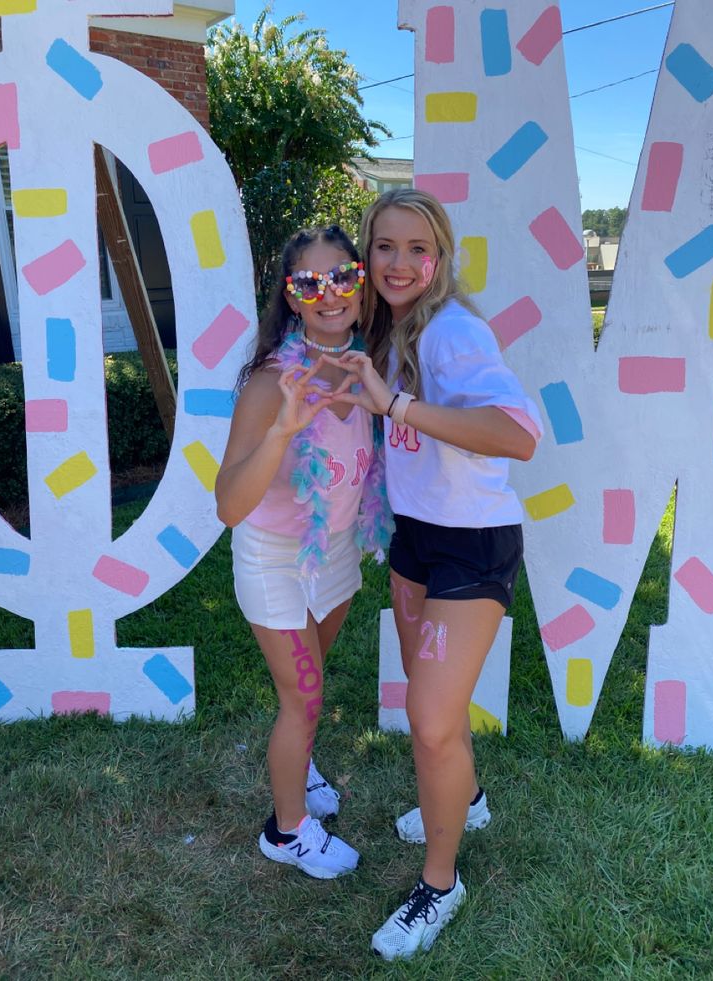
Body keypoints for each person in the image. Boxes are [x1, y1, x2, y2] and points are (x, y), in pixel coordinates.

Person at [325, 189, 542, 958]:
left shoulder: (453, 333)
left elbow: (518, 434)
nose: (400, 262)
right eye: (385, 246)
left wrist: (401, 407)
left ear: (440, 257)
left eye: (418, 248)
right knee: (435, 713)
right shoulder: (390, 330)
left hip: (470, 546)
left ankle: (440, 885)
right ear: (367, 254)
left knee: (430, 721)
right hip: (417, 538)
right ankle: (468, 801)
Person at [215, 225, 390, 881]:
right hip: (274, 556)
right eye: (307, 282)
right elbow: (229, 504)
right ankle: (286, 832)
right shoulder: (270, 385)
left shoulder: (368, 360)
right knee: (305, 695)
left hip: (336, 550)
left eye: (341, 275)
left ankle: (303, 762)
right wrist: (284, 429)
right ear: (290, 297)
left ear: (359, 282)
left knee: (310, 682)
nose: (328, 293)